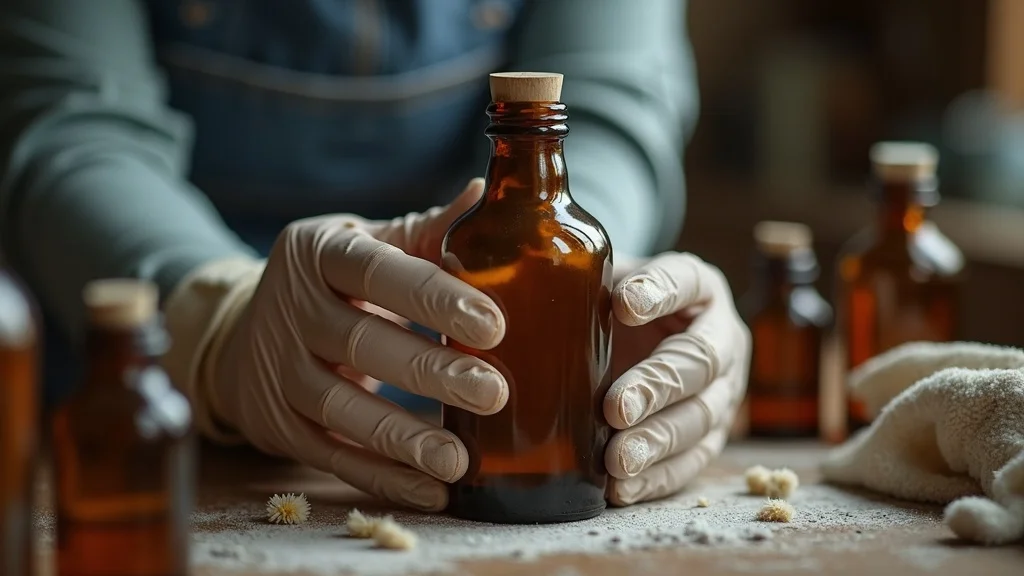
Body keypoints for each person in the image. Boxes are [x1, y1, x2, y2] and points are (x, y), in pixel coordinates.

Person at [0, 0, 750, 510]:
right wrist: (218, 320)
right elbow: (74, 122)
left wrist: (586, 295)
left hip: (466, 436)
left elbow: (603, 104)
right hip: (146, 418)